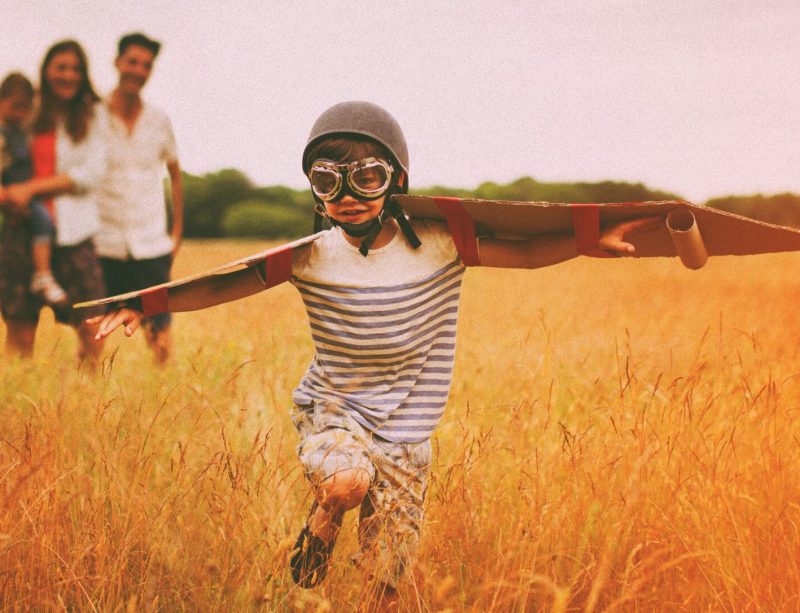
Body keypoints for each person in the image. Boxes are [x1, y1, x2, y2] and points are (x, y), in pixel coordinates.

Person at [90, 101, 653, 607]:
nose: (348, 198)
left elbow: (526, 253)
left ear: (396, 179)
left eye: (366, 178)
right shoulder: (309, 256)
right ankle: (324, 520)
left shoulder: (442, 241)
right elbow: (222, 284)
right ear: (314, 189)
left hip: (407, 431)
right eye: (328, 182)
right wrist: (146, 303)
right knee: (347, 483)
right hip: (335, 412)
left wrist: (585, 241)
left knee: (388, 580)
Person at [0, 40, 107, 361]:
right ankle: (17, 404)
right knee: (19, 324)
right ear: (46, 71)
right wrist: (8, 195)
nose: (68, 75)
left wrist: (30, 189)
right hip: (22, 230)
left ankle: (88, 402)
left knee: (92, 325)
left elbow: (90, 173)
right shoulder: (27, 112)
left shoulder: (93, 116)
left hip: (74, 232)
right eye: (61, 67)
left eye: (76, 69)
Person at [95, 32, 183, 364]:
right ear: (118, 62)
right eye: (132, 62)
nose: (139, 70)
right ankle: (83, 402)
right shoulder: (92, 115)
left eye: (147, 65)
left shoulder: (159, 119)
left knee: (159, 332)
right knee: (94, 332)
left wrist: (176, 234)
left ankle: (165, 400)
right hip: (103, 240)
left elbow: (175, 174)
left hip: (150, 243)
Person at [0, 72, 67, 306]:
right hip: (13, 196)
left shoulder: (21, 129)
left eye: (25, 108)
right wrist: (8, 198)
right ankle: (43, 274)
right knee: (44, 222)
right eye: (15, 106)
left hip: (26, 193)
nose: (21, 113)